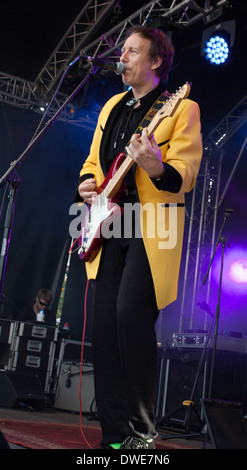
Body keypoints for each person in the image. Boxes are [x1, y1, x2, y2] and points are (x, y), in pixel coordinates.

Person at [75, 25, 202, 449]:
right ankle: (115, 438)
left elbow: (183, 176)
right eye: (121, 50)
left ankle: (142, 432)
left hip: (153, 226)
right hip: (108, 221)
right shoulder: (112, 105)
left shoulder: (179, 108)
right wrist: (88, 184)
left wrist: (154, 165)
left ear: (155, 61)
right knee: (106, 328)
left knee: (131, 317)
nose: (122, 57)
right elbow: (94, 161)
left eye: (131, 52)